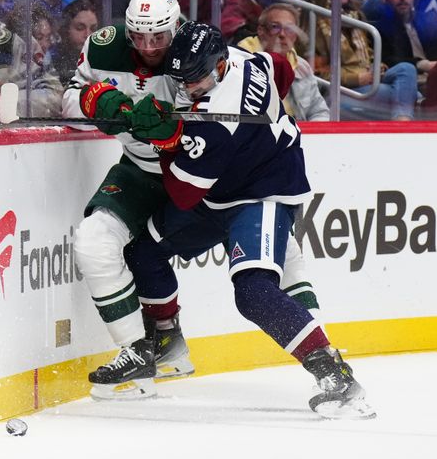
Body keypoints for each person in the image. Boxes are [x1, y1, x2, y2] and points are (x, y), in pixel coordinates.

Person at [118, 21, 374, 419]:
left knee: (253, 292)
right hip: (225, 186)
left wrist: (166, 141)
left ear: (220, 66)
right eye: (180, 78)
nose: (187, 87)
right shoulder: (244, 57)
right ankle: (168, 342)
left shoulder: (220, 123)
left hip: (262, 192)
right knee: (143, 252)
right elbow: (281, 70)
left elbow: (185, 194)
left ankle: (334, 374)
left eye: (196, 79)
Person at [62, 0, 196, 397]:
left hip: (198, 175)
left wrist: (175, 129)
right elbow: (68, 99)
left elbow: (211, 124)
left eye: (158, 37)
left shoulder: (195, 48)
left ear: (175, 26)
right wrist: (96, 102)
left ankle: (327, 360)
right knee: (92, 240)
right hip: (138, 171)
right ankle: (138, 352)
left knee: (273, 263)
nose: (149, 46)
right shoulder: (103, 47)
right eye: (139, 37)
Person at [309, 0, 419, 120]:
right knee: (412, 94)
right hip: (343, 89)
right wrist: (358, 78)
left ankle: (402, 124)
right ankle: (403, 126)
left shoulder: (356, 17)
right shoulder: (313, 23)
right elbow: (317, 72)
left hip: (369, 79)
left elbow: (371, 56)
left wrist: (378, 68)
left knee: (406, 69)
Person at [237, 3, 329, 120]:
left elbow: (319, 111)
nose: (282, 34)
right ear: (261, 30)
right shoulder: (239, 64)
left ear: (295, 35)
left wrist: (308, 134)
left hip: (299, 133)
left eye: (289, 29)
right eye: (275, 27)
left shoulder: (301, 67)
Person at [366, 0, 437, 89]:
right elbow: (389, 61)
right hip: (406, 84)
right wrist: (422, 65)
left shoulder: (429, 19)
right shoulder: (378, 27)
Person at [52, 0, 99, 84]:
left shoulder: (104, 63)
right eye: (80, 28)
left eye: (93, 29)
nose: (88, 35)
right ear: (65, 30)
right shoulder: (52, 63)